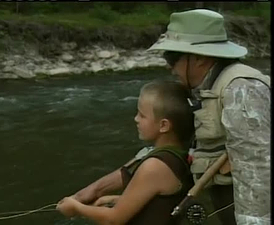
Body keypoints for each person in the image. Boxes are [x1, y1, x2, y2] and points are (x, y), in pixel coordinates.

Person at [59, 9, 270, 225]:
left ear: (199, 57)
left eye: (173, 57)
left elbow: (259, 175)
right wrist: (99, 191)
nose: (169, 67)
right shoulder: (202, 89)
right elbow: (172, 151)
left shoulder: (242, 89)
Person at [56, 80, 195, 225]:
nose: (136, 119)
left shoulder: (155, 166)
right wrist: (114, 200)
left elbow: (113, 219)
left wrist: (77, 208)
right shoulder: (177, 154)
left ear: (164, 125)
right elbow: (157, 202)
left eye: (142, 115)